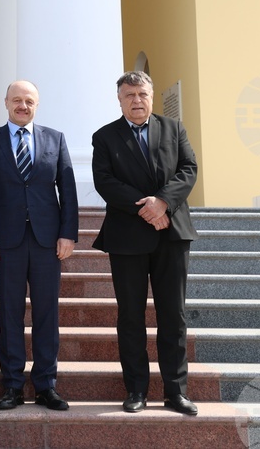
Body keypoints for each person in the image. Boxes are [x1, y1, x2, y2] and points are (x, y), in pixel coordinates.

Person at [91, 70, 199, 416]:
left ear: (150, 96)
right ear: (119, 99)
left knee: (173, 315)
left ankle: (175, 392)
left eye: (141, 94)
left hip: (172, 232)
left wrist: (163, 202)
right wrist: (147, 208)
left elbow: (189, 169)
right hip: (127, 237)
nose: (136, 101)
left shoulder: (174, 129)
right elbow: (105, 181)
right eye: (129, 95)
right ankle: (136, 389)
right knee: (131, 316)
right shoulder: (105, 137)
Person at [0, 80, 78, 411]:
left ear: (37, 104)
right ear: (6, 102)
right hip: (6, 243)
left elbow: (68, 190)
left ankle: (46, 385)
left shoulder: (55, 139)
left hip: (48, 242)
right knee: (10, 314)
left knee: (47, 314)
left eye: (29, 101)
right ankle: (13, 386)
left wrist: (68, 233)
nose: (22, 105)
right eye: (17, 100)